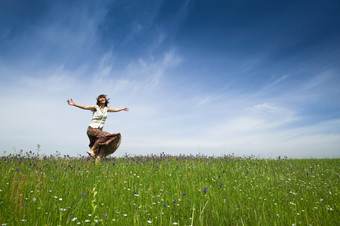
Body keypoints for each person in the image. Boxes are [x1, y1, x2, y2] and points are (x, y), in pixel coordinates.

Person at [67, 94, 128, 162]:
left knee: (102, 147)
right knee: (107, 135)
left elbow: (115, 110)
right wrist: (75, 104)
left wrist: (122, 108)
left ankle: (93, 164)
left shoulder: (106, 109)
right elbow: (85, 107)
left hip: (99, 131)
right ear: (98, 100)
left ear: (105, 100)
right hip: (92, 129)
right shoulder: (95, 107)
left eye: (104, 98)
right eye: (100, 98)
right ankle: (92, 149)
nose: (102, 99)